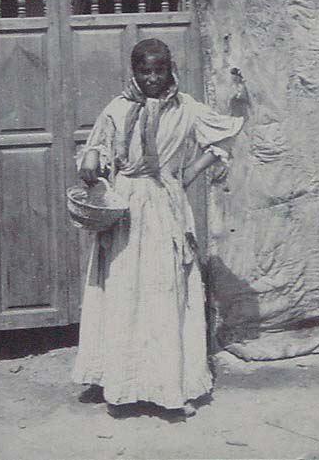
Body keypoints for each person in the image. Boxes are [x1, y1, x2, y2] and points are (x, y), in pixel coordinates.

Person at [72, 38, 245, 418]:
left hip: (164, 205)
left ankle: (167, 385)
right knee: (124, 288)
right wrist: (91, 162)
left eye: (159, 70)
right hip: (125, 206)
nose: (152, 78)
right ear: (133, 72)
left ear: (171, 69)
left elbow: (224, 134)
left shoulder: (187, 110)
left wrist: (187, 173)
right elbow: (95, 147)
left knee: (164, 289)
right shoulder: (117, 109)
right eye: (144, 71)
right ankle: (120, 383)